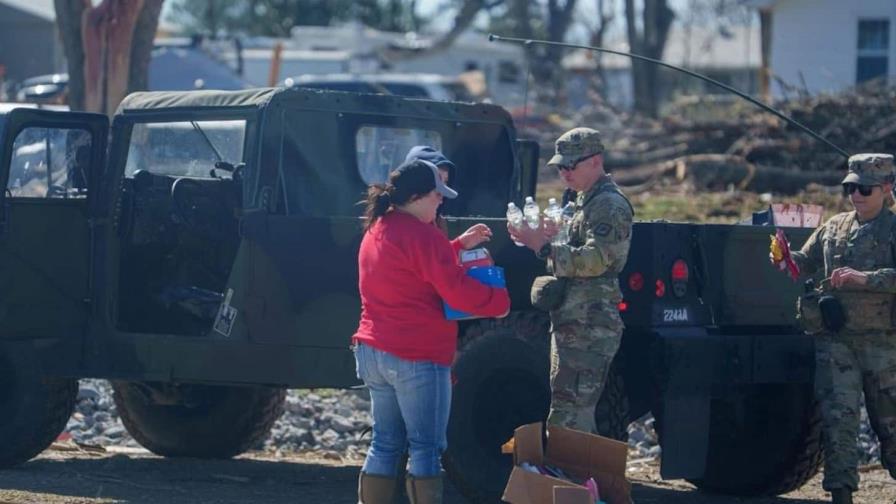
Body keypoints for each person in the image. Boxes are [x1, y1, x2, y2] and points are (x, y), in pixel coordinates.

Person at [353, 159, 511, 504]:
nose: (442, 202)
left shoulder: (378, 226)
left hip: (373, 351)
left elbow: (413, 265)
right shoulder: (423, 235)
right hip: (416, 355)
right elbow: (454, 288)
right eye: (437, 195)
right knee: (426, 448)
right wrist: (497, 302)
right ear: (418, 196)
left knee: (385, 442)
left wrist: (454, 246)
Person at [775, 153, 896, 504]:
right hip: (837, 342)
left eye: (865, 189)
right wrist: (786, 258)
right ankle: (841, 494)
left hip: (883, 346)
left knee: (889, 427)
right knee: (838, 424)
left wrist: (866, 279)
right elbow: (805, 261)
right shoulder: (834, 227)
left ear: (887, 188)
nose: (856, 195)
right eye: (850, 188)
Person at [508, 127, 633, 432]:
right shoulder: (584, 201)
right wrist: (553, 236)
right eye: (560, 166)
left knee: (570, 416)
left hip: (590, 323)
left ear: (596, 160)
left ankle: (572, 479)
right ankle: (575, 477)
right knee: (567, 407)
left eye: (571, 165)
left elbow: (598, 258)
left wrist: (544, 246)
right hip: (575, 321)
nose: (564, 173)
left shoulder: (608, 205)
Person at [404, 145, 492, 254]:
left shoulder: (438, 221)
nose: (441, 196)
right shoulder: (399, 227)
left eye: (445, 182)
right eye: (435, 181)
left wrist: (459, 244)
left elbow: (436, 258)